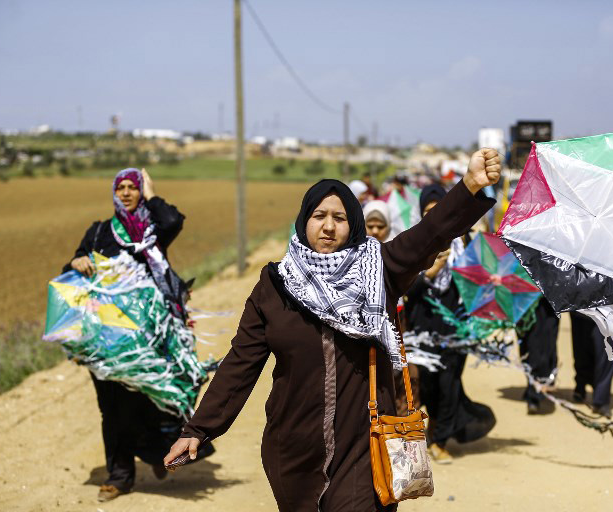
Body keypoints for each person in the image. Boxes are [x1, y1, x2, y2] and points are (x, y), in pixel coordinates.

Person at [164, 150, 500, 511]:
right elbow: (240, 364)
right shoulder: (274, 285)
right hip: (292, 449)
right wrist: (198, 429)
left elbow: (427, 235)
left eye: (339, 218)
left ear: (352, 225)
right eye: (319, 215)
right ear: (303, 221)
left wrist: (469, 186)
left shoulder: (380, 269)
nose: (328, 226)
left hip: (363, 446)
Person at [64, 168, 212, 502]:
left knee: (146, 398)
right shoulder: (100, 231)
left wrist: (152, 193)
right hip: (105, 338)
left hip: (148, 338)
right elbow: (70, 268)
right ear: (114, 192)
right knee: (111, 407)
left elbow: (173, 219)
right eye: (123, 188)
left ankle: (155, 452)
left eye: (134, 187)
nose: (128, 193)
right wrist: (77, 262)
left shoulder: (153, 231)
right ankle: (119, 477)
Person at [404, 184, 496, 464]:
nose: (434, 216)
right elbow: (403, 289)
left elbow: (482, 284)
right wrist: (428, 274)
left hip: (456, 328)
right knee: (428, 386)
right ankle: (430, 431)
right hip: (421, 328)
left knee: (449, 383)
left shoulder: (466, 242)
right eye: (428, 212)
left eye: (439, 209)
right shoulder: (412, 243)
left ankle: (440, 440)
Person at [569, 312, 613, 418]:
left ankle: (601, 399)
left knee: (608, 351)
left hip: (611, 309)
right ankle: (581, 382)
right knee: (581, 348)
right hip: (581, 306)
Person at [518, 298, 559, 414]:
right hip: (523, 301)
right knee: (526, 346)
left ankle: (534, 394)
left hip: (548, 303)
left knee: (544, 345)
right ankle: (532, 386)